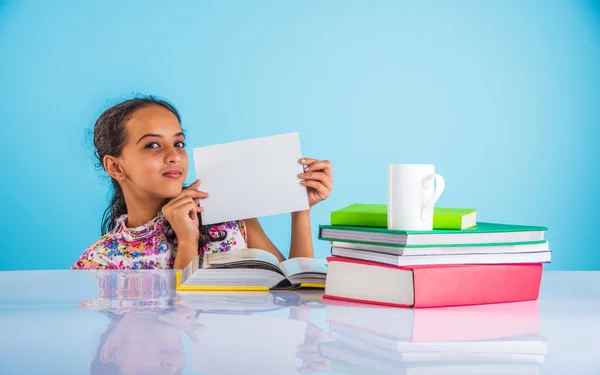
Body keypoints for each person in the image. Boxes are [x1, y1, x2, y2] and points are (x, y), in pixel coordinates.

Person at [72, 95, 333, 270]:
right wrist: (186, 242)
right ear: (115, 166)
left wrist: (301, 207)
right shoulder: (100, 260)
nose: (174, 156)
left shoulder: (228, 215)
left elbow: (296, 293)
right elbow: (174, 332)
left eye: (178, 143)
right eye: (153, 145)